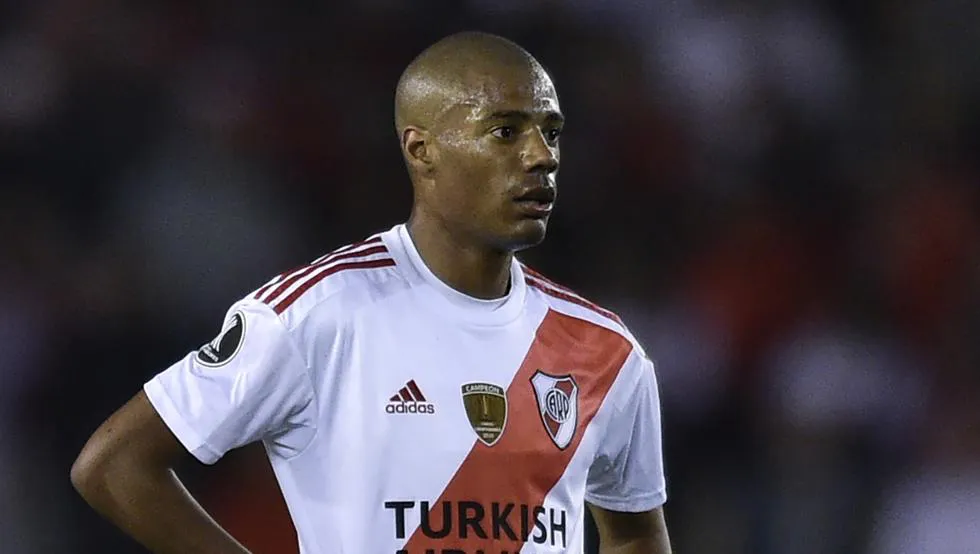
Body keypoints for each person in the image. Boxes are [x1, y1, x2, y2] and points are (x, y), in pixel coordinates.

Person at [70, 31, 672, 554]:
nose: (541, 156)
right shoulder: (319, 313)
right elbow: (114, 466)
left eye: (551, 132)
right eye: (505, 131)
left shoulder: (604, 350)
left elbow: (634, 535)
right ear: (421, 150)